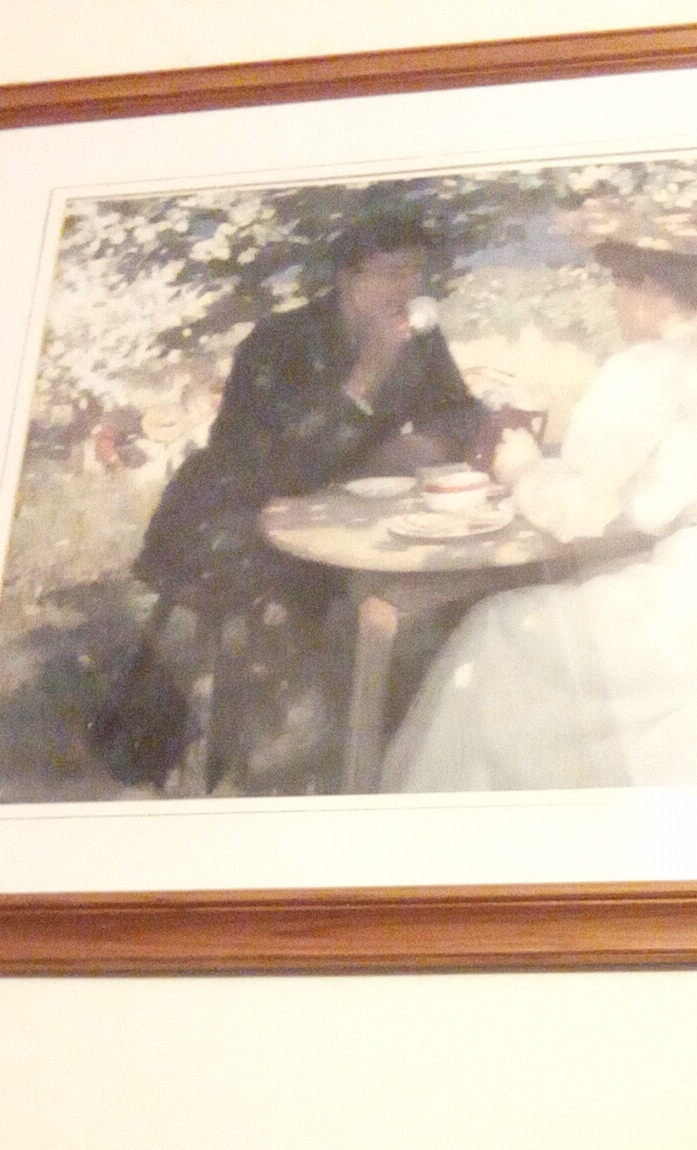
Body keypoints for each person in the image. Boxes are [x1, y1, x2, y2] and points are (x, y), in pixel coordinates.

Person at [380, 220, 697, 791]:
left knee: (498, 629)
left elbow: (576, 511)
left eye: (619, 283)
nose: (613, 300)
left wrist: (523, 469)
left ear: (651, 288)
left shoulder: (644, 370)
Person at [94, 209, 487, 787]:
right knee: (303, 608)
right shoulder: (279, 341)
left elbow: (461, 410)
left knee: (424, 596)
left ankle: (393, 738)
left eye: (415, 272)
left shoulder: (419, 338)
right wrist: (368, 374)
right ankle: (263, 748)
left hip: (343, 512)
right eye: (392, 273)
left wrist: (431, 441)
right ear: (348, 278)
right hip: (232, 514)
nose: (408, 288)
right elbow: (275, 466)